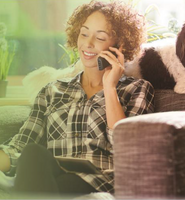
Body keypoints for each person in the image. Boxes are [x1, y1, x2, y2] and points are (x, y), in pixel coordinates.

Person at [0, 0, 154, 197]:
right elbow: (20, 146)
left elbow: (127, 150)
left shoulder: (137, 89)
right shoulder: (52, 90)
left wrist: (110, 87)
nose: (88, 44)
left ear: (119, 45)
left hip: (98, 185)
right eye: (84, 34)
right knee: (31, 154)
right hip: (50, 180)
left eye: (100, 37)